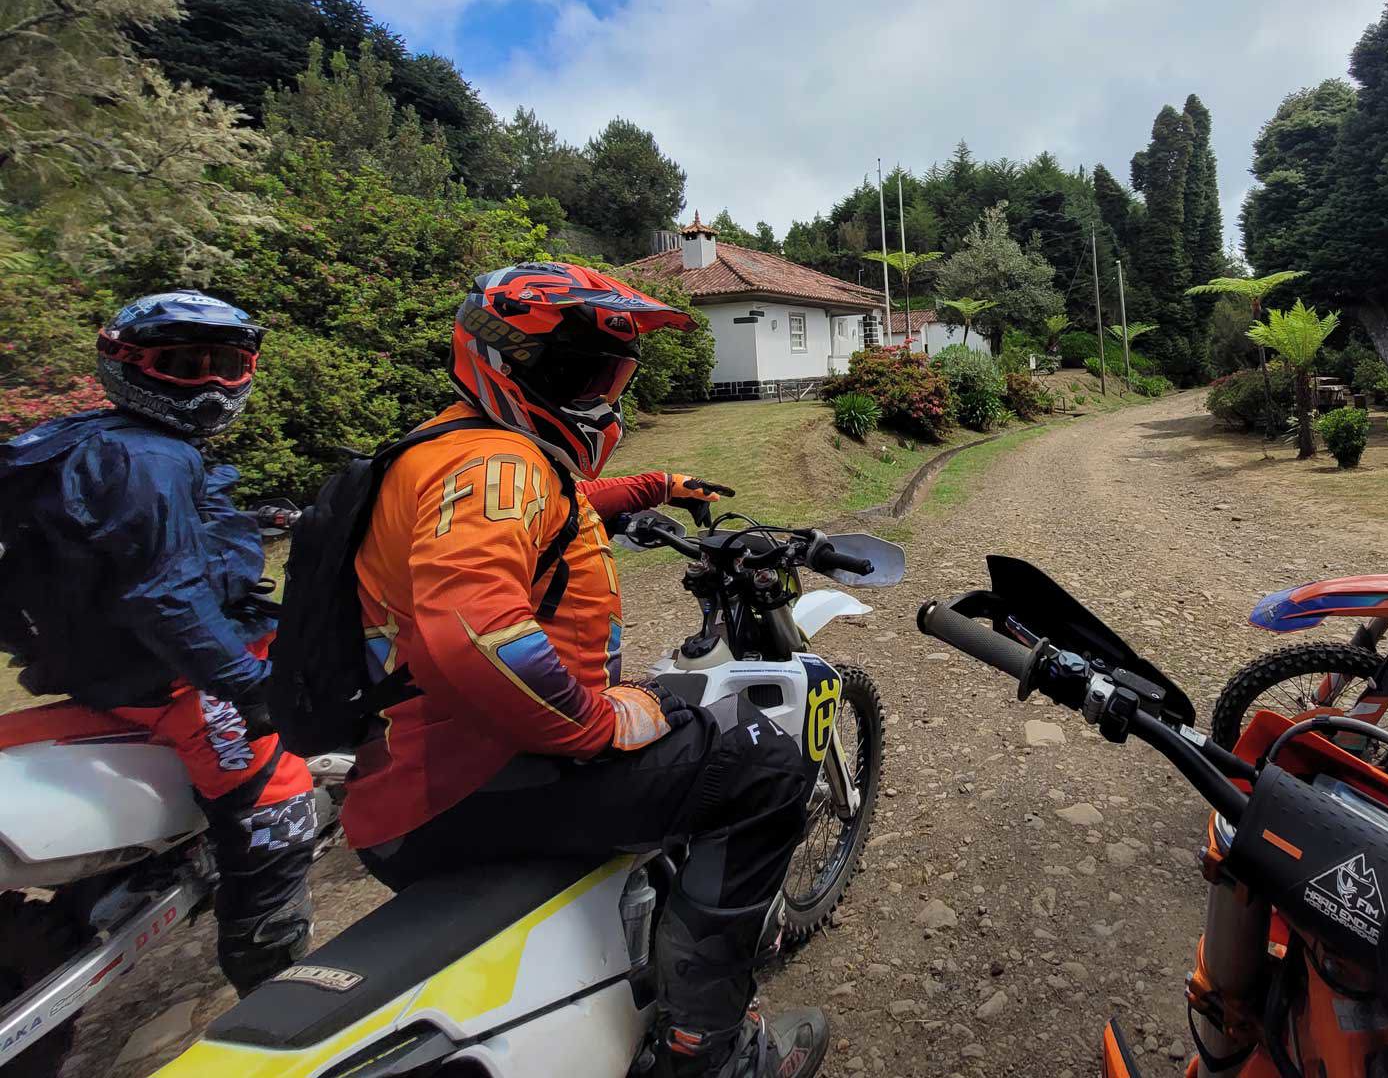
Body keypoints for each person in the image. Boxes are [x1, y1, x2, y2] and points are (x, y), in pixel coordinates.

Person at [343, 262, 825, 1078]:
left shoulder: (462, 446)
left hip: (424, 766)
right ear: (501, 362)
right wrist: (595, 724)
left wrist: (647, 488)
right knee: (764, 764)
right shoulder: (492, 467)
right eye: (575, 372)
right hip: (478, 778)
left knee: (670, 710)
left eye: (609, 372)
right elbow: (477, 637)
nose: (598, 393)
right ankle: (705, 1051)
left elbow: (549, 508)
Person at [0, 292, 318, 993]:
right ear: (129, 366)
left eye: (225, 365)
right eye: (181, 365)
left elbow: (125, 537)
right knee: (276, 810)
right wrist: (246, 684)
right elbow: (166, 595)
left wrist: (249, 519)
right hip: (175, 673)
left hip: (98, 664)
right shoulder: (150, 459)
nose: (207, 383)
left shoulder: (85, 437)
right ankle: (275, 983)